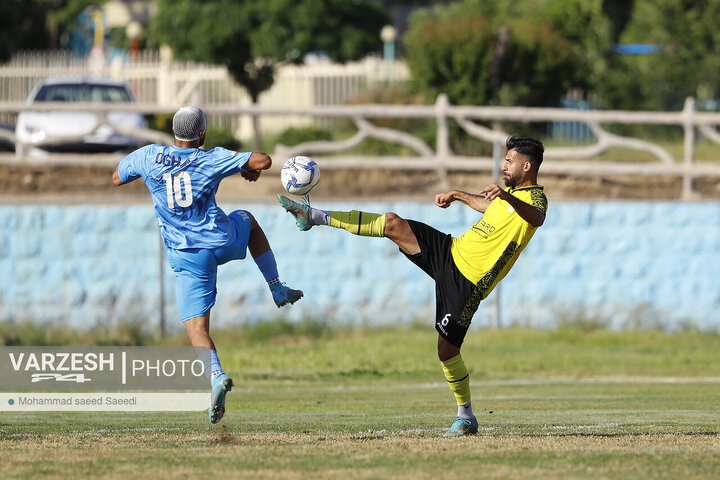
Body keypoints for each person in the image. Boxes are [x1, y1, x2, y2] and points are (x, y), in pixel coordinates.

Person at [278, 136, 547, 436]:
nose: (503, 166)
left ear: (527, 166)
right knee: (393, 223)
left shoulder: (535, 199)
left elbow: (535, 217)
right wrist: (458, 195)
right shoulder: (507, 199)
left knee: (446, 350)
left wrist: (506, 197)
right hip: (451, 250)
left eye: (509, 161)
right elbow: (492, 209)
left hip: (468, 282)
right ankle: (313, 216)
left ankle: (466, 415)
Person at [112, 106, 303, 424]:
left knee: (197, 330)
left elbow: (117, 177)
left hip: (187, 256)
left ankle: (216, 378)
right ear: (201, 133)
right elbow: (264, 160)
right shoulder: (210, 158)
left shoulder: (148, 156)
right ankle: (276, 287)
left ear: (173, 132)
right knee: (249, 221)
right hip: (220, 240)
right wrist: (246, 168)